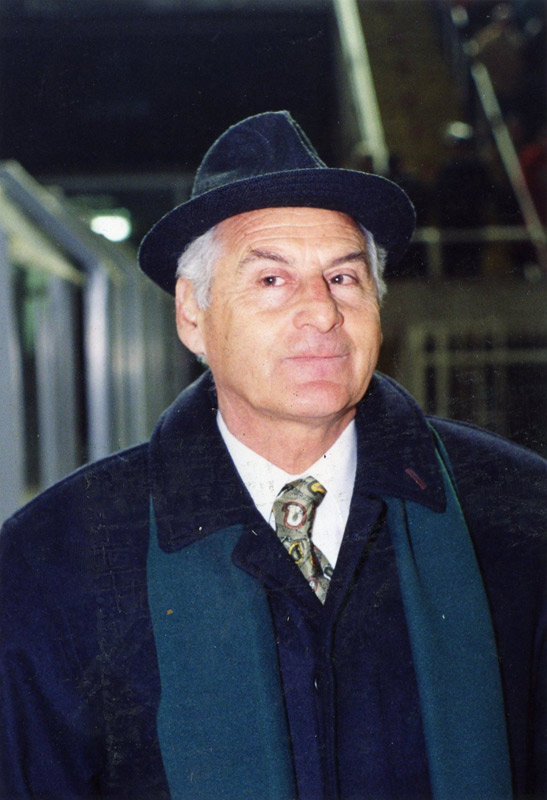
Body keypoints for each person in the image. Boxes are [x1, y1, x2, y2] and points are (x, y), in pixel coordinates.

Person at [0, 111, 545, 800]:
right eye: (270, 280)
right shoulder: (56, 558)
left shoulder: (517, 513)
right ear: (192, 315)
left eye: (343, 278)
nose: (321, 312)